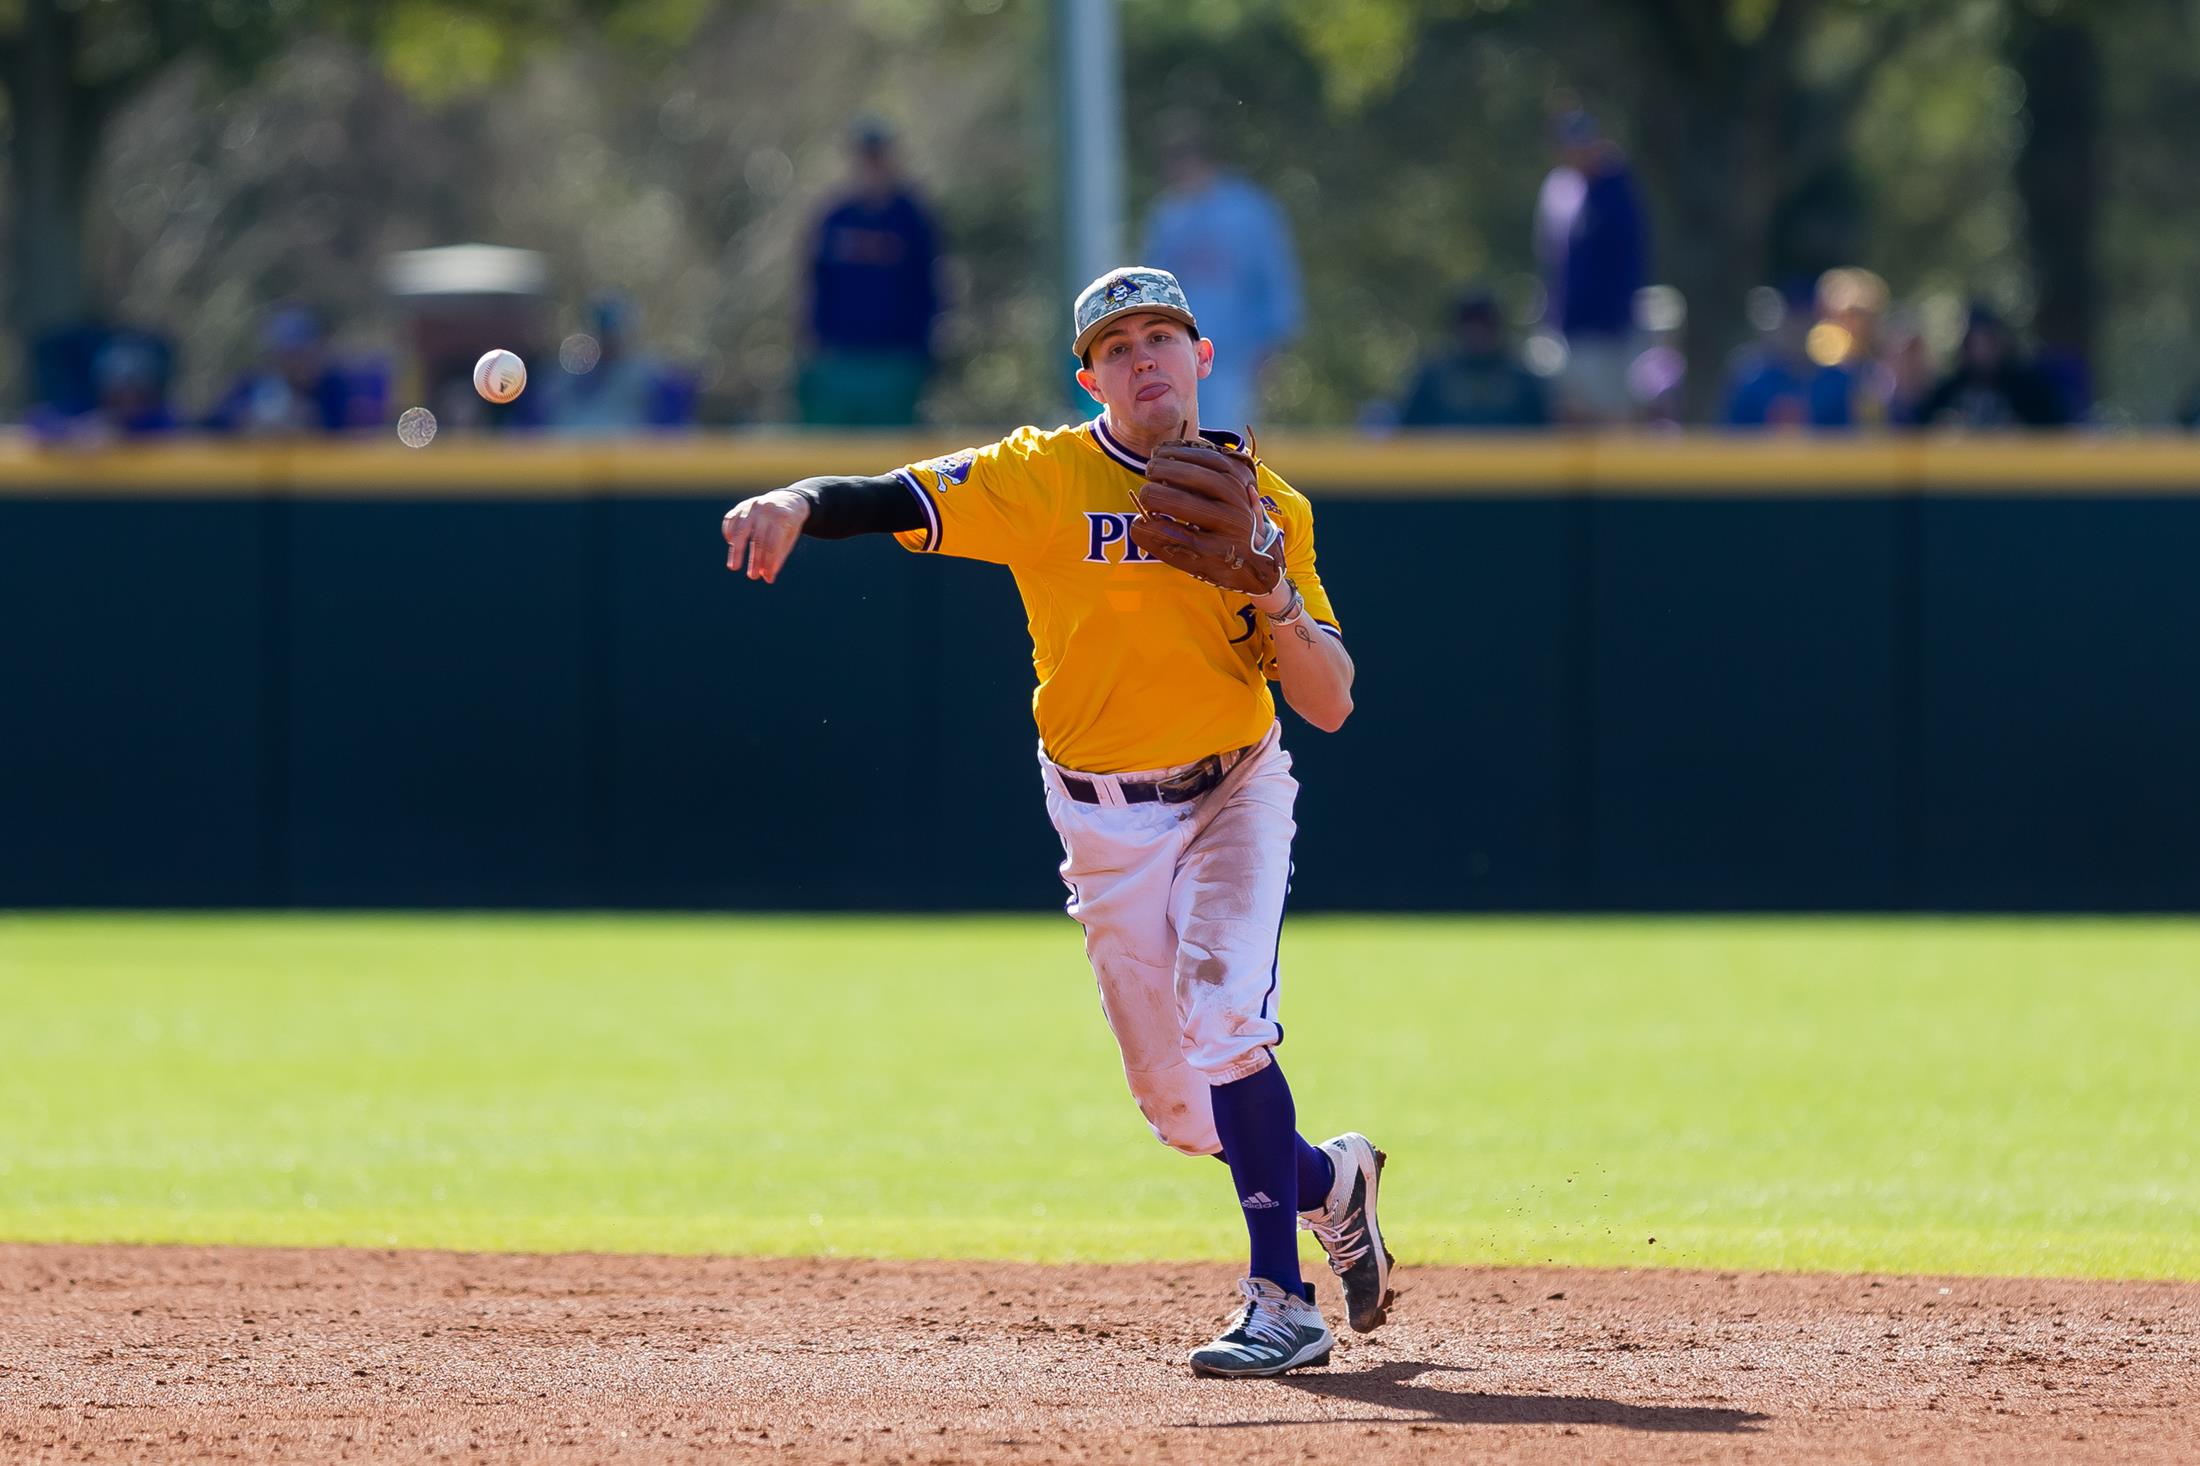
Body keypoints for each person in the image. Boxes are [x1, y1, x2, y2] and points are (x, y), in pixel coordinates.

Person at [721, 266, 1391, 1379]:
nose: (1145, 358)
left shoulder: (1270, 503)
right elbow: (897, 494)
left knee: (1227, 1016)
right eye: (1118, 345)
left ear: (1202, 356)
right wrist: (799, 501)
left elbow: (1328, 700)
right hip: (1102, 818)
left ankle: (1282, 1299)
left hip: (1236, 786)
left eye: (1162, 336)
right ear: (1090, 377)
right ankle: (1333, 1181)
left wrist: (1271, 588)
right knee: (1186, 1111)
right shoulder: (1041, 475)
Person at [1139, 121, 1303, 433]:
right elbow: (1151, 290)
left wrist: (1273, 344)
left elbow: (1275, 279)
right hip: (1176, 352)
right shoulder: (1167, 215)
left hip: (1235, 356)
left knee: (1226, 441)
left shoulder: (1248, 211)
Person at [799, 117, 941, 427]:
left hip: (895, 359)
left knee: (890, 459)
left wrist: (925, 349)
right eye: (865, 155)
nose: (872, 163)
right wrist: (812, 344)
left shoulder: (912, 219)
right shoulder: (835, 218)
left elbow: (930, 287)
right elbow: (816, 286)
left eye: (878, 154)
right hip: (840, 359)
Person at [1534, 109, 1648, 424]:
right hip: (1570, 330)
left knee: (1609, 419)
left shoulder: (1616, 189)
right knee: (1572, 417)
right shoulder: (1564, 189)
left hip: (1608, 332)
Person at [1396, 287, 1550, 429]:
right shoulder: (1432, 378)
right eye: (1469, 324)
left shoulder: (1522, 381)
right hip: (1446, 458)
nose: (1476, 332)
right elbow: (1409, 432)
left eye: (1483, 324)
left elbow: (1541, 432)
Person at [1912, 303, 2069, 429]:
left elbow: (2054, 429)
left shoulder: (2028, 389)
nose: (1982, 350)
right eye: (1975, 343)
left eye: (1988, 341)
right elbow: (1919, 431)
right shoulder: (1946, 392)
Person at [203, 306, 354, 435]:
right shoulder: (253, 385)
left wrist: (312, 421)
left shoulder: (334, 387)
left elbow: (349, 430)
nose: (298, 364)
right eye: (289, 356)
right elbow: (214, 420)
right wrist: (246, 420)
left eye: (304, 354)